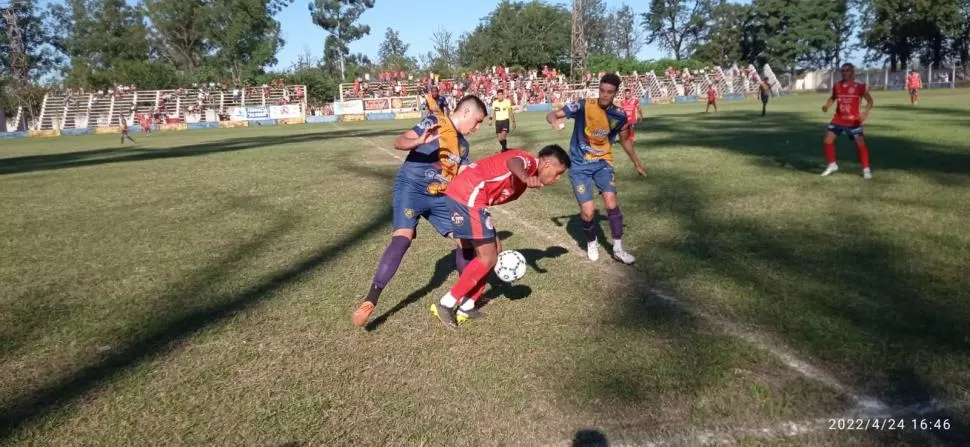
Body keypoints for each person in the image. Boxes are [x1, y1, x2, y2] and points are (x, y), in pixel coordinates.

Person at [351, 95, 488, 328]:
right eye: (477, 121)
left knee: (465, 241)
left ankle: (465, 298)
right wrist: (417, 141)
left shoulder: (463, 145)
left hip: (439, 197)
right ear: (465, 112)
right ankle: (370, 299)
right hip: (411, 189)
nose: (477, 127)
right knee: (402, 239)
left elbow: (465, 173)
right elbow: (401, 141)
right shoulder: (435, 121)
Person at [430, 145, 571, 328]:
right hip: (469, 194)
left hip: (472, 197)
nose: (558, 179)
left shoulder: (524, 178)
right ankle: (446, 303)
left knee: (495, 251)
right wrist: (526, 177)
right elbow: (513, 161)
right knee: (487, 257)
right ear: (547, 164)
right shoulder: (527, 161)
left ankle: (468, 305)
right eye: (558, 173)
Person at [545, 73, 646, 264]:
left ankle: (618, 248)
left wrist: (637, 163)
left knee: (611, 202)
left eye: (609, 92)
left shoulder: (620, 116)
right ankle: (592, 241)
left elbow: (625, 141)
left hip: (602, 163)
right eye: (602, 90)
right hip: (579, 166)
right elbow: (552, 114)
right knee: (589, 212)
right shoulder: (584, 105)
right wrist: (555, 122)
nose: (604, 95)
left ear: (615, 93)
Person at [821, 63, 875, 180]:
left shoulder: (859, 86)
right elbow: (833, 97)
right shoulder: (837, 85)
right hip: (838, 119)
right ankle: (832, 165)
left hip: (853, 121)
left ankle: (866, 169)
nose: (845, 73)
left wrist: (865, 113)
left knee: (860, 145)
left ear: (853, 71)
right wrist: (827, 105)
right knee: (827, 140)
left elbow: (870, 101)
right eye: (843, 71)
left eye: (848, 70)